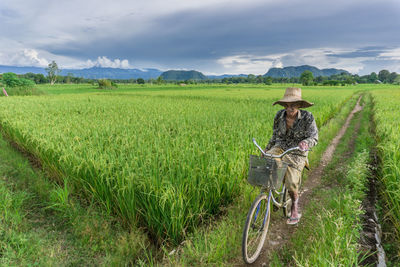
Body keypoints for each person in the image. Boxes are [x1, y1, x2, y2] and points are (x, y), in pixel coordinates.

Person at [264, 87, 318, 225]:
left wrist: (306, 143)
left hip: (297, 151)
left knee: (291, 181)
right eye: (287, 105)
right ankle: (271, 193)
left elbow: (314, 137)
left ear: (299, 105)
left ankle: (294, 204)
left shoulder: (308, 117)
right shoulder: (279, 115)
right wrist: (267, 149)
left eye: (293, 104)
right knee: (267, 161)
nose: (290, 108)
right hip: (280, 146)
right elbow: (275, 135)